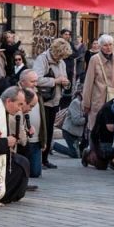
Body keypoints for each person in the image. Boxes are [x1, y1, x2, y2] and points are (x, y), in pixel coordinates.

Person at [33, 38, 72, 169]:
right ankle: (39, 159)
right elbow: (36, 80)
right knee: (42, 131)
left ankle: (45, 159)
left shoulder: (61, 62)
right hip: (44, 101)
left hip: (55, 100)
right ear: (55, 51)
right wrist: (55, 81)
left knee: (49, 131)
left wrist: (66, 83)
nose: (61, 58)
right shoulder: (42, 59)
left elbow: (64, 79)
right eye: (60, 55)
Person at [82, 34, 114, 134]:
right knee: (96, 130)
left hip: (112, 100)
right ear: (100, 46)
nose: (108, 47)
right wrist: (86, 103)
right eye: (105, 45)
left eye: (110, 44)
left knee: (110, 130)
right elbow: (88, 82)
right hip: (98, 100)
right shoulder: (94, 59)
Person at [16, 70, 46, 179]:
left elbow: (43, 117)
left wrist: (44, 139)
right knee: (24, 170)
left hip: (36, 139)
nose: (35, 84)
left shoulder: (38, 94)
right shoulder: (15, 94)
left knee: (35, 172)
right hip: (22, 140)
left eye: (36, 81)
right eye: (32, 81)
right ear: (23, 82)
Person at [82, 100, 114, 169]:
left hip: (105, 140)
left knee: (103, 165)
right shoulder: (109, 107)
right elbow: (110, 127)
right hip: (101, 141)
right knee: (101, 165)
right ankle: (89, 154)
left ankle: (95, 153)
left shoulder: (112, 106)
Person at [53, 90, 85, 158]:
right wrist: (87, 119)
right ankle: (53, 145)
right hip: (69, 132)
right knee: (75, 154)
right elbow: (76, 120)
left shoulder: (84, 103)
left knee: (79, 152)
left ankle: (78, 150)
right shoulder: (76, 102)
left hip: (77, 133)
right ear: (81, 93)